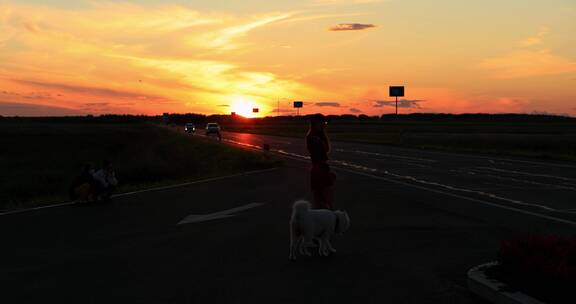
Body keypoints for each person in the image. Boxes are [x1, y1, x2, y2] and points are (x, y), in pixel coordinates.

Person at [306, 114, 336, 210]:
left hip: (318, 169)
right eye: (322, 122)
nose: (324, 124)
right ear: (315, 124)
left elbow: (326, 149)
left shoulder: (318, 136)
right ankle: (331, 222)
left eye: (324, 123)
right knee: (327, 201)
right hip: (320, 169)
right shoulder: (313, 137)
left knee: (320, 201)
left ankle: (321, 221)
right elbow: (321, 153)